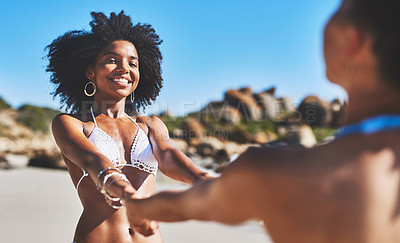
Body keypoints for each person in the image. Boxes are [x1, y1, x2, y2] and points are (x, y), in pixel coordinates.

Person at [124, 0, 400, 242]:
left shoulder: (271, 172)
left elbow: (187, 205)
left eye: (340, 6)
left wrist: (140, 210)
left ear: (352, 42)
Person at [47, 11, 211, 243]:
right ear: (90, 71)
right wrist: (131, 199)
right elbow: (95, 162)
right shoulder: (71, 124)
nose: (124, 68)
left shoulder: (150, 124)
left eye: (132, 63)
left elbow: (168, 156)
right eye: (112, 60)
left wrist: (202, 178)